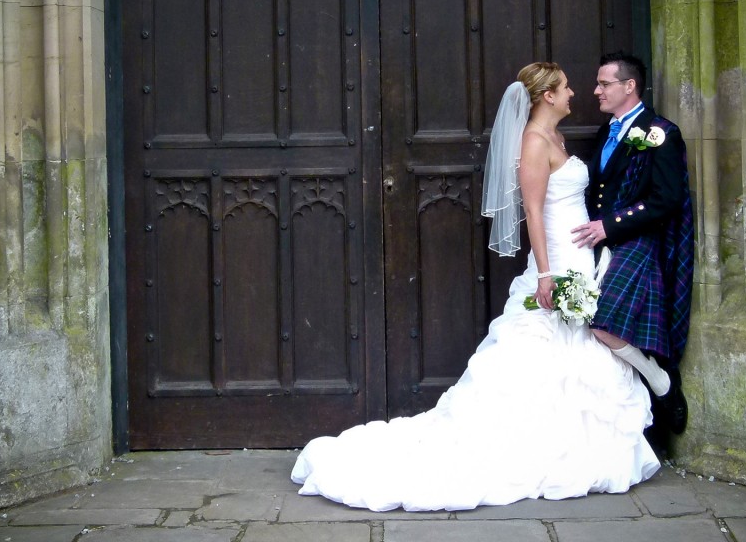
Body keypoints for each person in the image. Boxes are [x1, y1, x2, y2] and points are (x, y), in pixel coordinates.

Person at [290, 63, 659, 512]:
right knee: (548, 349)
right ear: (546, 96)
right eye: (565, 88)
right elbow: (535, 214)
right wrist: (546, 274)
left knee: (583, 344)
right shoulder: (534, 143)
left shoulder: (559, 139)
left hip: (583, 254)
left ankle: (589, 435)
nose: (574, 93)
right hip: (559, 259)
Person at [571, 52, 694, 444]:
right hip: (598, 242)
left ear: (629, 86)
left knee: (602, 321)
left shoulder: (661, 132)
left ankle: (662, 383)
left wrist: (611, 226)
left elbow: (667, 199)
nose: (596, 91)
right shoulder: (606, 132)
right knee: (584, 319)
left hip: (639, 240)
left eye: (604, 83)